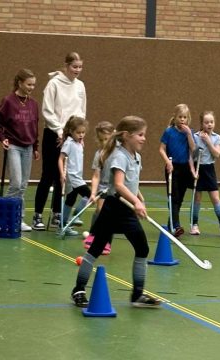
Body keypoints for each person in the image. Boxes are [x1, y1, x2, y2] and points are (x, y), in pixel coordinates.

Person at [71, 115, 161, 308]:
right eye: (140, 135)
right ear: (127, 136)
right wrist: (136, 201)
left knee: (142, 248)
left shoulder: (136, 156)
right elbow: (118, 185)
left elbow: (130, 181)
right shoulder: (119, 155)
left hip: (126, 209)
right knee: (95, 250)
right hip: (114, 208)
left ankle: (137, 294)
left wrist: (138, 195)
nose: (144, 138)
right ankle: (78, 289)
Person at [32, 52, 86, 230]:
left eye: (80, 67)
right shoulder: (53, 84)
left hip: (71, 135)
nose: (77, 70)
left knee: (63, 177)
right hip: (54, 134)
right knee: (48, 174)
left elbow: (81, 111)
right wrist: (59, 130)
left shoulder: (80, 86)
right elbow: (47, 111)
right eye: (74, 66)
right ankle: (37, 215)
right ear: (66, 66)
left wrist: (78, 134)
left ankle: (57, 214)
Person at [0, 69, 40, 232]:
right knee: (15, 182)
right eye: (29, 84)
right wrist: (3, 138)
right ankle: (3, 216)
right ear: (20, 83)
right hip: (14, 145)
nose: (31, 88)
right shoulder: (8, 101)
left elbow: (35, 126)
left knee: (23, 185)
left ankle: (18, 219)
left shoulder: (33, 104)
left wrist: (36, 147)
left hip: (28, 147)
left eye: (34, 85)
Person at [191, 111, 220, 237]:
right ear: (202, 123)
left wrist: (208, 141)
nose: (209, 124)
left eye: (211, 122)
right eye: (206, 122)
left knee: (215, 198)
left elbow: (216, 154)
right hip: (198, 169)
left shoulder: (216, 137)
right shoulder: (195, 136)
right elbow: (192, 154)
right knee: (197, 198)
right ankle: (194, 225)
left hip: (209, 170)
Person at [159, 104, 196, 237]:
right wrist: (167, 162)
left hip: (185, 168)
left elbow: (193, 149)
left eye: (185, 117)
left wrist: (188, 135)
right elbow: (161, 149)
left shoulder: (189, 132)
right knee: (173, 197)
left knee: (180, 198)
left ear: (188, 119)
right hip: (172, 167)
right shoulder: (169, 131)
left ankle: (172, 223)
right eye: (180, 117)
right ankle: (176, 225)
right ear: (175, 117)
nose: (182, 120)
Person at [83, 121, 115, 255]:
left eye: (106, 139)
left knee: (111, 216)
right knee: (100, 210)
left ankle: (107, 242)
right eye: (101, 140)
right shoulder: (99, 154)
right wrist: (93, 192)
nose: (103, 143)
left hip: (114, 189)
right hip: (103, 187)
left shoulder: (119, 153)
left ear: (113, 136)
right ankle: (93, 234)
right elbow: (96, 176)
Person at [58, 116, 91, 236]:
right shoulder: (69, 143)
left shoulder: (79, 143)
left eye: (83, 132)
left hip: (78, 177)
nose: (81, 135)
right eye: (78, 132)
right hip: (72, 178)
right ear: (71, 131)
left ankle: (63, 225)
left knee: (70, 201)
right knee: (89, 195)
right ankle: (76, 216)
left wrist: (80, 142)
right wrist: (62, 174)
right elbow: (60, 159)